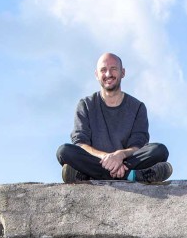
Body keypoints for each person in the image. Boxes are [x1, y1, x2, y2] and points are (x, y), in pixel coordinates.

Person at [56, 52, 172, 184]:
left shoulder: (137, 107)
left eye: (113, 69)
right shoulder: (86, 105)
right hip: (97, 160)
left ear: (123, 72)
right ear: (97, 75)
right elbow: (81, 143)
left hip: (126, 161)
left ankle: (89, 175)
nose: (108, 74)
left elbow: (137, 145)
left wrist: (119, 155)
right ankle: (131, 176)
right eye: (103, 70)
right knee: (64, 151)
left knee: (159, 150)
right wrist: (107, 157)